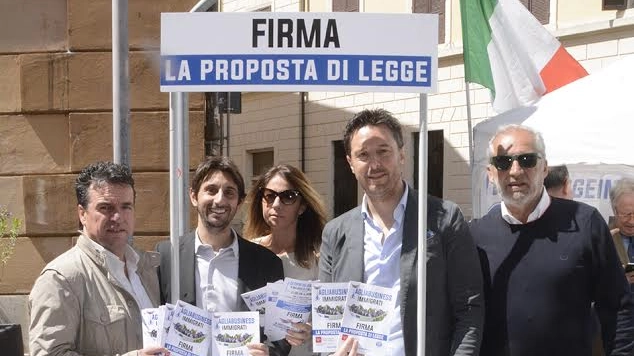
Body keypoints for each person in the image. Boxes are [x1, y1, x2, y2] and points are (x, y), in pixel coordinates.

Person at [318, 108, 484, 356]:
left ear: (402, 154)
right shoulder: (335, 232)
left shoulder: (444, 218)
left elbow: (469, 309)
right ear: (351, 164)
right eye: (363, 155)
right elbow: (328, 322)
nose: (374, 164)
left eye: (383, 152)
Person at [470, 124, 634, 355]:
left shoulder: (585, 223)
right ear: (491, 173)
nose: (515, 171)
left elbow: (617, 308)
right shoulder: (475, 235)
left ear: (544, 167)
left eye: (526, 160)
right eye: (503, 162)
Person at [28, 161, 169, 356]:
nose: (118, 217)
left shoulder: (147, 269)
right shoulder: (61, 279)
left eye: (126, 207)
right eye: (106, 208)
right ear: (82, 214)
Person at [157, 156, 290, 356]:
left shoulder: (267, 263)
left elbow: (280, 339)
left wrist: (267, 354)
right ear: (193, 196)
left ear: (239, 202)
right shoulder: (167, 255)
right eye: (211, 190)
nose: (220, 200)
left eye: (229, 193)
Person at [244, 164, 328, 355]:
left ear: (302, 206)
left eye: (288, 197)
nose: (276, 204)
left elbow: (333, 317)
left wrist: (312, 329)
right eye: (269, 195)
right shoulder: (247, 251)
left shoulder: (320, 256)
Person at [610, 177, 634, 283]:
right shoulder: (603, 239)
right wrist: (618, 282)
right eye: (626, 214)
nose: (632, 221)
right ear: (615, 211)